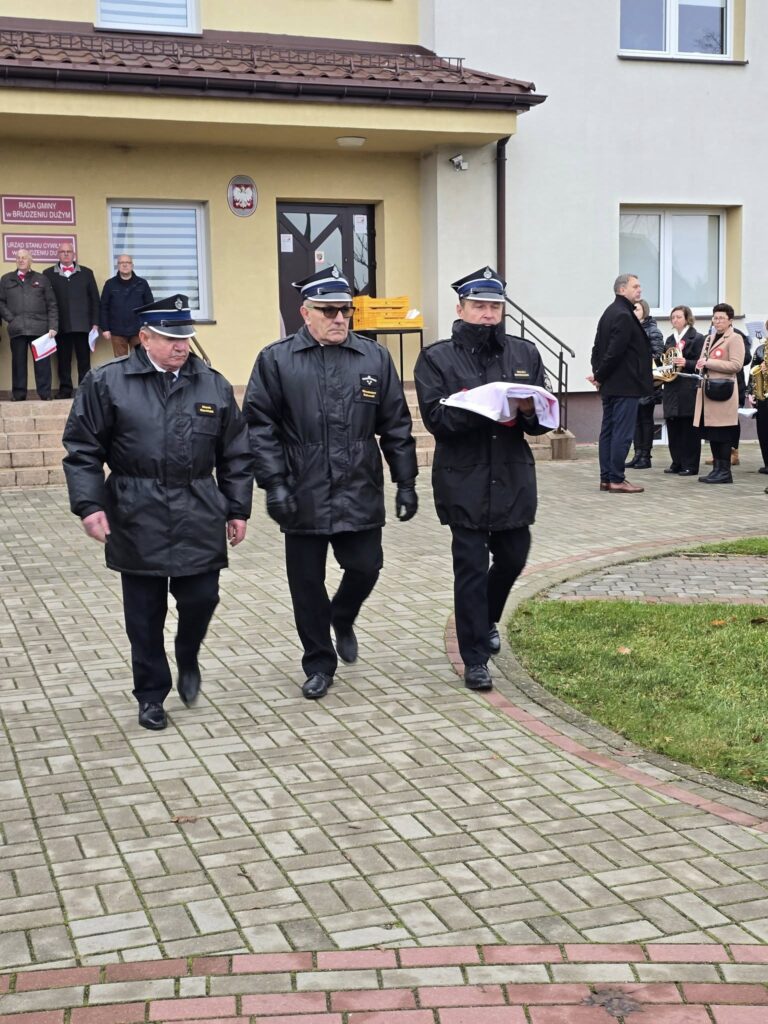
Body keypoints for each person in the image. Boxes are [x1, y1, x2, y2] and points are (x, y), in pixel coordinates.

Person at [62, 295, 253, 730]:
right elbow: (82, 449)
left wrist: (237, 508)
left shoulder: (213, 385)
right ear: (144, 338)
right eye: (170, 338)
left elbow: (236, 454)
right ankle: (150, 694)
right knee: (144, 617)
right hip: (136, 511)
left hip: (199, 509)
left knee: (201, 598)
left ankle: (188, 653)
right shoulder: (108, 382)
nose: (181, 346)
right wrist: (89, 504)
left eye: (185, 337)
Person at [244, 267, 417, 701]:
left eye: (345, 310)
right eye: (328, 311)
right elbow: (259, 427)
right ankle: (319, 663)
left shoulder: (373, 358)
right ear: (306, 313)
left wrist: (406, 480)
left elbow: (395, 423)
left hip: (358, 484)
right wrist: (274, 483)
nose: (339, 318)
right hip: (301, 488)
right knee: (306, 583)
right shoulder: (277, 359)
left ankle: (342, 614)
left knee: (366, 566)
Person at [414, 265, 552, 693]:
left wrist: (529, 412)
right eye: (479, 306)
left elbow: (541, 423)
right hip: (464, 477)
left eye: (495, 306)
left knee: (514, 556)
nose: (488, 314)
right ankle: (474, 658)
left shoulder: (524, 354)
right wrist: (486, 406)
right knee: (471, 569)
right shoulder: (436, 358)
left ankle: (487, 618)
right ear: (460, 308)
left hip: (512, 475)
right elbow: (437, 420)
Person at [588, 273, 654, 493]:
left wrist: (599, 374)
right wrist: (600, 376)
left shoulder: (609, 312)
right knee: (622, 433)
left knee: (608, 431)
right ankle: (616, 478)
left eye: (639, 286)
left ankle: (606, 478)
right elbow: (614, 352)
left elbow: (597, 350)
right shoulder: (624, 315)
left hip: (611, 385)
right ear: (622, 289)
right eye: (635, 286)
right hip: (625, 385)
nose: (639, 290)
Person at [694, 302, 744, 485]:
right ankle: (717, 469)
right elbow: (703, 360)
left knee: (722, 433)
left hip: (723, 391)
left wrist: (709, 363)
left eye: (721, 318)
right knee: (713, 433)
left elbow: (736, 365)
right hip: (708, 391)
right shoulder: (709, 338)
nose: (717, 321)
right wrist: (701, 365)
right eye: (715, 318)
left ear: (730, 320)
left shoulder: (735, 338)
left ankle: (725, 471)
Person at [43, 243, 100, 399]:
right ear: (58, 254)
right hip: (60, 326)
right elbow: (45, 301)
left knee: (84, 361)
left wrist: (95, 322)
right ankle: (65, 390)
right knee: (63, 361)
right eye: (63, 251)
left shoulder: (87, 273)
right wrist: (50, 324)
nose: (66, 254)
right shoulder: (48, 274)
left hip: (83, 325)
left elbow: (95, 300)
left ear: (74, 254)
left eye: (69, 251)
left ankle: (84, 391)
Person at [0, 249, 58, 401]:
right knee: (18, 363)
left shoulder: (42, 279)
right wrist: (11, 319)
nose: (21, 260)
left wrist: (53, 326)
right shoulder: (6, 279)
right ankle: (19, 394)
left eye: (24, 257)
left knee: (42, 363)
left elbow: (52, 304)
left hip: (40, 328)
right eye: (18, 258)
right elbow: (1, 302)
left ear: (30, 260)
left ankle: (45, 394)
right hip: (17, 328)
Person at [661, 305, 704, 476]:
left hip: (688, 388)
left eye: (679, 317)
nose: (675, 320)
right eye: (673, 317)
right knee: (673, 426)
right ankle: (677, 462)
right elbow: (664, 361)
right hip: (671, 387)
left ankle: (690, 465)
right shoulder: (670, 339)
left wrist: (686, 362)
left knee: (688, 428)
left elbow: (702, 363)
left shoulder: (697, 338)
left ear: (687, 319)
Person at [625, 298, 665, 469]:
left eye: (637, 309)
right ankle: (637, 454)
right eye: (632, 309)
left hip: (647, 382)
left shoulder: (652, 331)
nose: (634, 312)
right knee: (635, 420)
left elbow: (657, 355)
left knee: (645, 419)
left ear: (645, 311)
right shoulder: (630, 328)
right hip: (633, 381)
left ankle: (645, 456)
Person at [100, 254, 154, 357]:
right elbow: (104, 307)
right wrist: (105, 328)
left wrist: (149, 327)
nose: (125, 265)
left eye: (128, 262)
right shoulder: (110, 284)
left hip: (139, 330)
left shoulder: (142, 283)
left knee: (140, 359)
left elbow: (150, 306)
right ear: (118, 265)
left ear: (132, 265)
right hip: (117, 331)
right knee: (121, 361)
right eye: (122, 263)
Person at [747, 320, 768, 477]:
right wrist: (751, 392)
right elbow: (752, 372)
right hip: (763, 395)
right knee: (764, 430)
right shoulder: (761, 349)